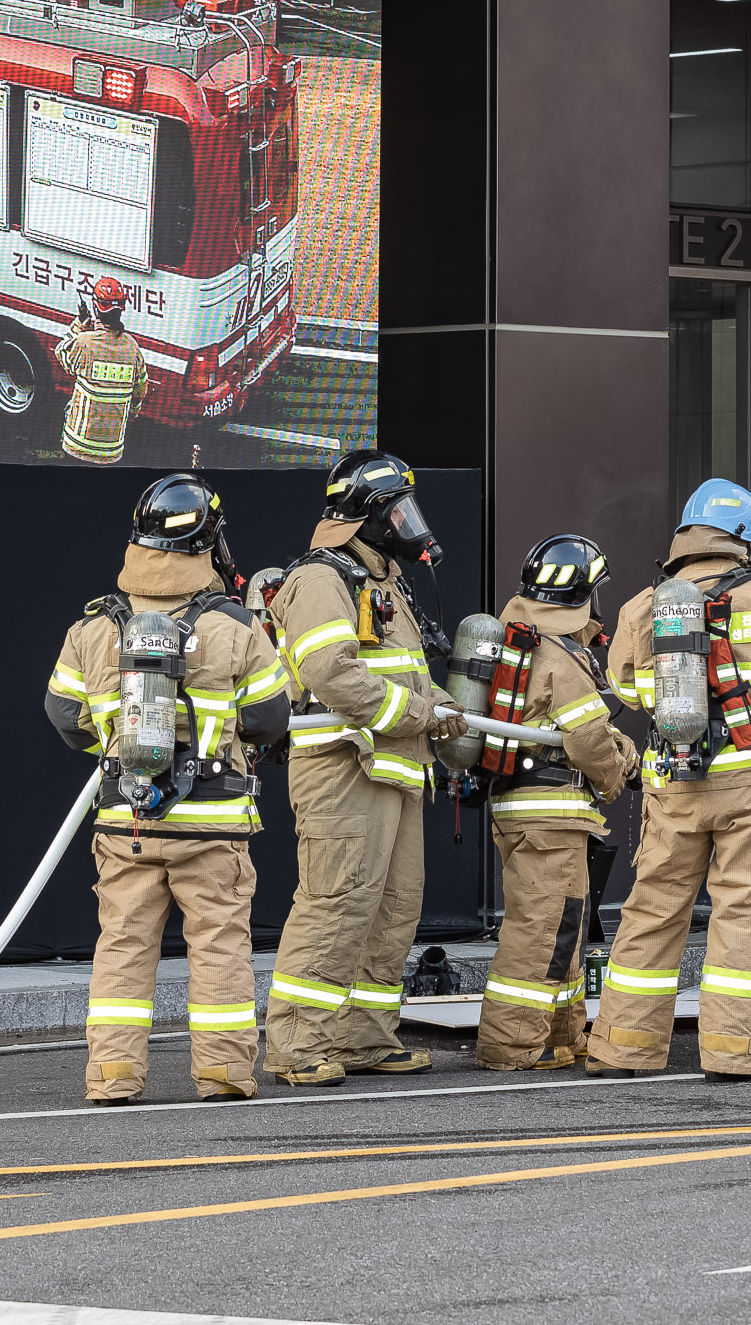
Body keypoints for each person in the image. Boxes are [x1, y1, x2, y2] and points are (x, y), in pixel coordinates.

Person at [43, 475, 290, 1103]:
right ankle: (224, 1074)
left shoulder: (95, 627)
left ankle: (113, 1077)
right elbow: (267, 720)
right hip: (214, 825)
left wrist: (121, 750)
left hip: (125, 823)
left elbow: (64, 718)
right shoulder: (234, 627)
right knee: (218, 945)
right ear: (208, 543)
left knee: (122, 944)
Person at [587, 478, 751, 1082]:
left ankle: (623, 1048)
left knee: (651, 910)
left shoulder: (643, 606)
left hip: (674, 780)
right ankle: (731, 1051)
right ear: (747, 538)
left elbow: (623, 690)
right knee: (744, 910)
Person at [262, 452, 465, 1085]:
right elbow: (329, 674)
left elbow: (397, 672)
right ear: (366, 515)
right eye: (398, 508)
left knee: (392, 907)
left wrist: (436, 705)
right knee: (336, 903)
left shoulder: (382, 581)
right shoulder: (324, 580)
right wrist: (419, 714)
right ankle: (296, 1045)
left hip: (394, 770)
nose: (411, 522)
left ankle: (361, 1038)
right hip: (343, 768)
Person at [474, 535, 636, 1071]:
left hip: (527, 810)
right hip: (552, 813)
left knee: (561, 926)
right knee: (540, 930)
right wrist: (619, 773)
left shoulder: (524, 639)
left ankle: (559, 1038)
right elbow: (589, 738)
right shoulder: (558, 655)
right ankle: (511, 1044)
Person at [57, 277, 149, 465]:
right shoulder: (132, 348)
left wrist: (78, 328)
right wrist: (131, 413)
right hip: (112, 451)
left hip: (76, 446)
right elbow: (139, 393)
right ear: (121, 310)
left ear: (96, 307)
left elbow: (61, 353)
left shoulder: (84, 343)